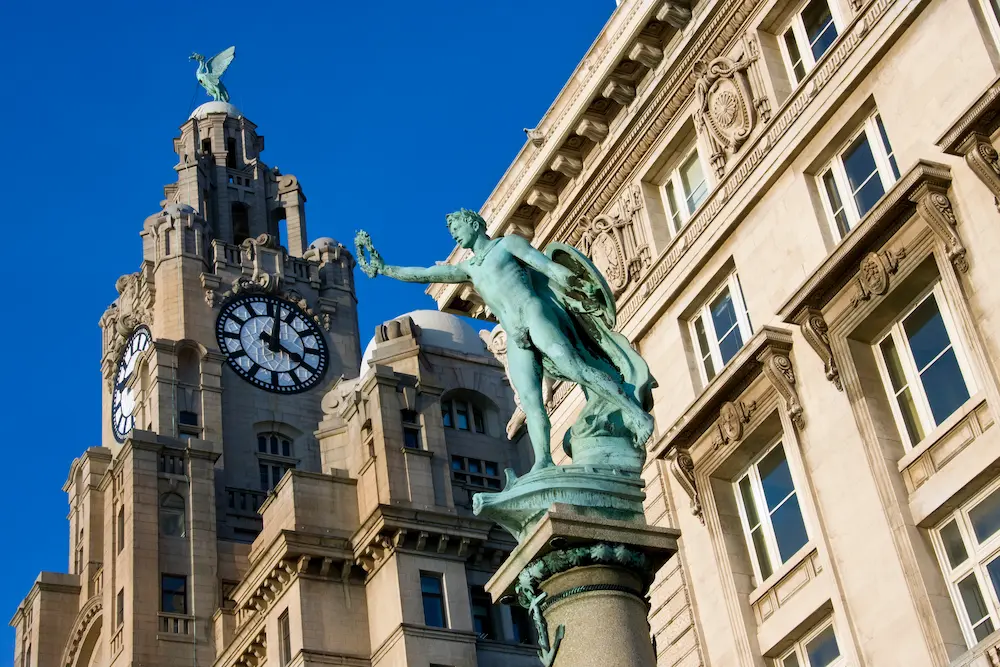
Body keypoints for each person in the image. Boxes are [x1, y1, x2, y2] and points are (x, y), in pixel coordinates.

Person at [365, 209, 654, 471]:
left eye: (457, 228)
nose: (454, 235)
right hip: (515, 333)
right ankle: (543, 462)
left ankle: (636, 414)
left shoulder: (507, 245)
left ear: (474, 225)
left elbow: (545, 266)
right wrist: (386, 268)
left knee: (575, 368)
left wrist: (573, 282)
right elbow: (426, 273)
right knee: (530, 400)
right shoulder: (469, 269)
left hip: (532, 313)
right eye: (451, 231)